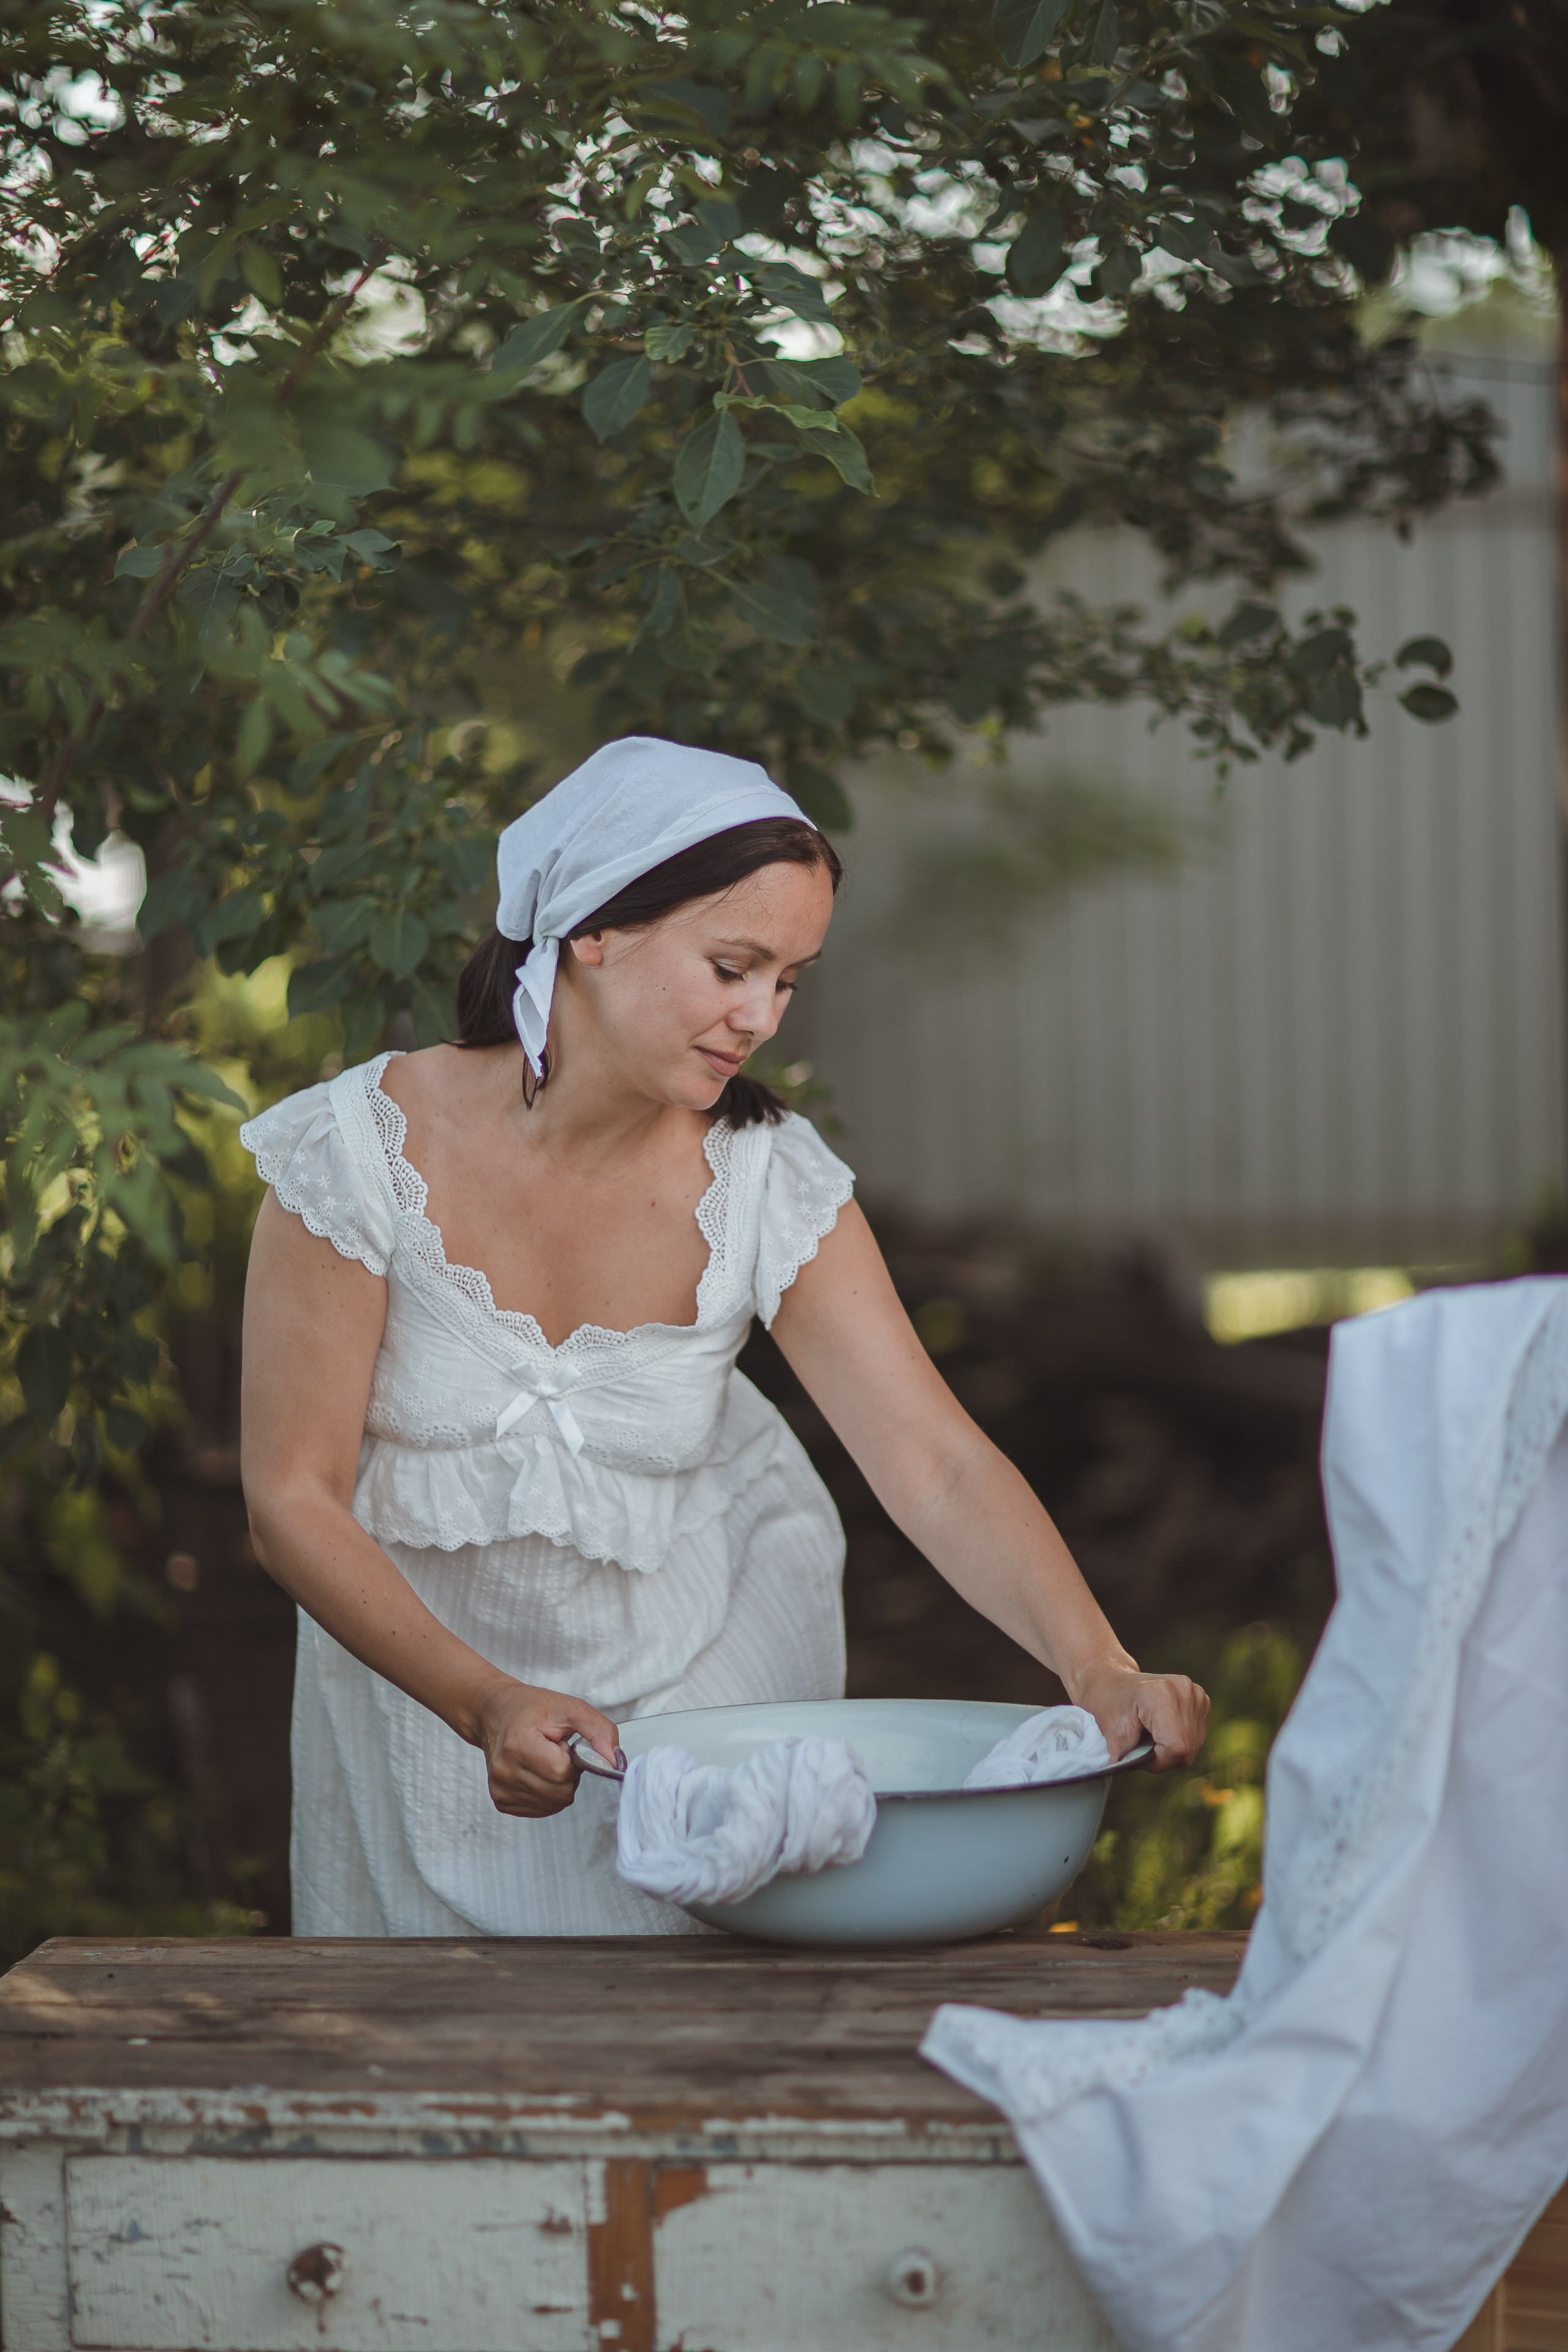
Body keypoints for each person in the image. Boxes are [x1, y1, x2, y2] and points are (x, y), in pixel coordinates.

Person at [239, 736, 1208, 1936]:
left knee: (696, 2044)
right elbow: (292, 1500)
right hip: (421, 1708)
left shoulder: (766, 1180)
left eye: (788, 980)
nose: (759, 1016)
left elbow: (935, 1461)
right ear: (591, 928)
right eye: (731, 966)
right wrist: (479, 1701)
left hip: (706, 1694)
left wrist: (1095, 1665)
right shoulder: (351, 1158)